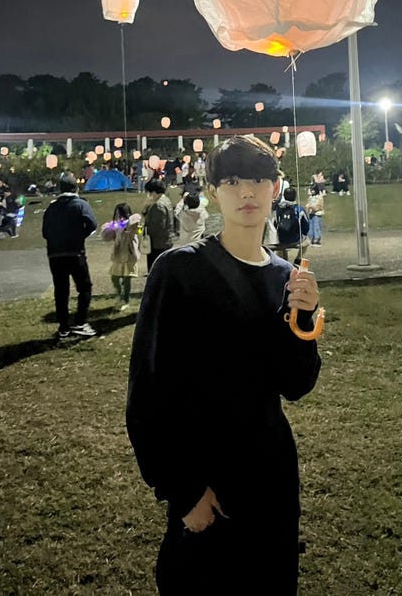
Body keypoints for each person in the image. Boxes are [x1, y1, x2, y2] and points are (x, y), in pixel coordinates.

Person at [126, 134, 322, 595]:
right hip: (206, 476)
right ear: (213, 191)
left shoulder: (283, 276)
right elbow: (148, 392)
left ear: (276, 187)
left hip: (270, 475)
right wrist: (183, 490)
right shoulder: (180, 270)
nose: (247, 192)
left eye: (258, 179)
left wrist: (305, 317)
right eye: (232, 180)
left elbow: (294, 383)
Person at [41, 172, 98, 340]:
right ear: (76, 187)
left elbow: (45, 232)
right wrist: (80, 235)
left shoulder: (51, 207)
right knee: (84, 287)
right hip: (75, 252)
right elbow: (92, 224)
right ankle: (80, 322)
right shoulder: (80, 204)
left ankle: (63, 326)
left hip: (55, 254)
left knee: (61, 290)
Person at [101, 201, 142, 310]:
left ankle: (126, 300)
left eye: (120, 214)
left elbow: (139, 230)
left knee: (127, 279)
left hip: (130, 254)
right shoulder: (117, 225)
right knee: (114, 277)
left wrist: (126, 225)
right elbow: (107, 237)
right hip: (118, 255)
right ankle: (120, 295)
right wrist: (110, 228)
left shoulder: (133, 223)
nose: (118, 216)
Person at [141, 178, 175, 273]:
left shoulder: (158, 205)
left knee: (154, 269)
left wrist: (143, 231)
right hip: (166, 240)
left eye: (150, 192)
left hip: (157, 243)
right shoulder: (166, 200)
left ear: (154, 192)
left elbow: (156, 226)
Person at [273, 185, 311, 265]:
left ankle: (285, 260)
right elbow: (306, 226)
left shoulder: (279, 208)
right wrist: (304, 234)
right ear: (295, 196)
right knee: (307, 242)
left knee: (280, 240)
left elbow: (275, 223)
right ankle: (298, 259)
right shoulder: (299, 209)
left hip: (282, 239)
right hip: (295, 240)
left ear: (284, 196)